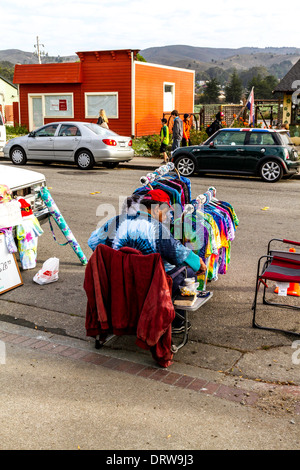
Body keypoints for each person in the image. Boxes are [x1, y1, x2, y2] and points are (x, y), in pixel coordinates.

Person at [88, 189, 207, 332]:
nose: (169, 215)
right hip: (150, 284)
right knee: (188, 273)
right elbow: (178, 254)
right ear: (157, 208)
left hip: (117, 280)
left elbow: (93, 243)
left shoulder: (116, 220)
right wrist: (197, 262)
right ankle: (176, 323)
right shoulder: (157, 229)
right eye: (167, 210)